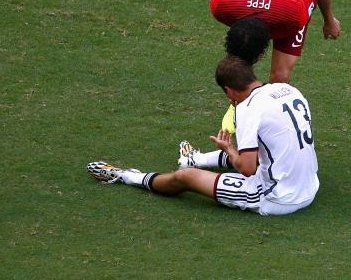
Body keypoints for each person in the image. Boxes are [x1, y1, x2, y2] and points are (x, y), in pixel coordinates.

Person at [87, 56, 319, 216]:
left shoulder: (247, 107)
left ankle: (125, 176)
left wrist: (230, 150)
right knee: (260, 152)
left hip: (277, 198)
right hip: (309, 187)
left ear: (229, 90)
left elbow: (247, 168)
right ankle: (195, 158)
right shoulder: (289, 90)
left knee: (185, 177)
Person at [210, 0, 341, 84]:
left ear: (261, 56)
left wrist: (329, 21)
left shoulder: (292, 18)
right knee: (236, 68)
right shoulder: (220, 5)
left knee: (280, 78)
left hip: (287, 5)